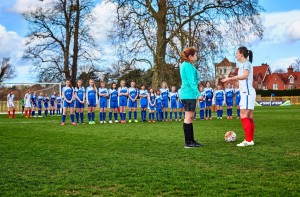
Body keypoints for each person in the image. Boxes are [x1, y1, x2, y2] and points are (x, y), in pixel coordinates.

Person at [222, 46, 256, 147]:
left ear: (241, 54)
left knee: (243, 115)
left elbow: (245, 76)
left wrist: (233, 78)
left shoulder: (247, 63)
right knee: (249, 116)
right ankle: (250, 140)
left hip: (247, 93)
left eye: (237, 53)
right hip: (246, 93)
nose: (236, 55)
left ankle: (248, 140)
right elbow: (243, 78)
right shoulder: (242, 65)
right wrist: (233, 79)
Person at [179, 47, 202, 148]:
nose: (196, 57)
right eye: (195, 55)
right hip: (188, 94)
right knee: (188, 117)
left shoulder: (190, 65)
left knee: (191, 117)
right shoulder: (187, 66)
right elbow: (191, 82)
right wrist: (198, 94)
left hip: (190, 94)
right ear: (190, 56)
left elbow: (196, 77)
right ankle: (188, 143)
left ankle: (191, 140)